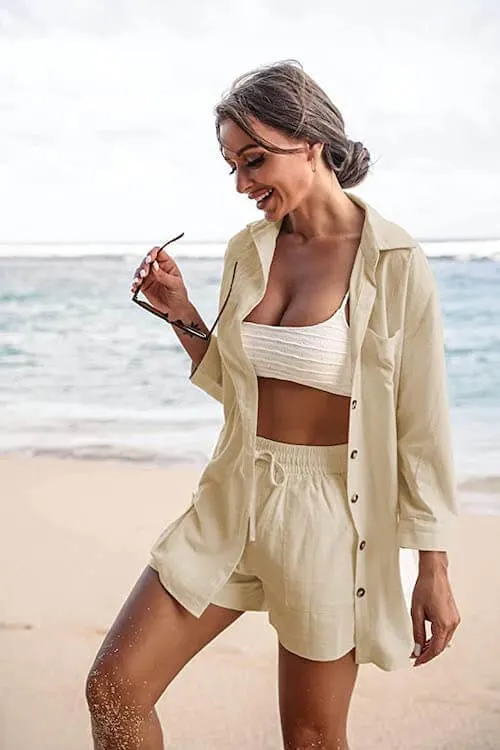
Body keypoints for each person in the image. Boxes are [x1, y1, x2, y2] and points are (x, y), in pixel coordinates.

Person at [86, 60, 461, 750]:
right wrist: (182, 313)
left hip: (331, 519)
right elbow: (236, 388)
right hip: (235, 494)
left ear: (312, 142)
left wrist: (431, 570)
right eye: (232, 165)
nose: (241, 184)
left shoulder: (395, 261)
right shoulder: (248, 250)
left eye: (254, 160)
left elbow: (423, 429)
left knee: (313, 738)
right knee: (114, 689)